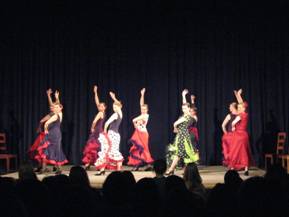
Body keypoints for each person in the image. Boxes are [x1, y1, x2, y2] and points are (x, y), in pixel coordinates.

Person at [35, 95, 68, 174]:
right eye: (54, 107)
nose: (54, 108)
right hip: (50, 134)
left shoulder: (59, 114)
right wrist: (46, 129)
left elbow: (58, 106)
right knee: (46, 150)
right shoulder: (53, 114)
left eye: (57, 107)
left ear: (60, 108)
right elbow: (46, 122)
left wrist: (57, 98)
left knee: (57, 150)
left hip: (55, 135)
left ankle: (58, 168)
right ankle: (44, 168)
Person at [29, 89, 60, 172]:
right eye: (50, 107)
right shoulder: (51, 114)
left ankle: (55, 167)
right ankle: (42, 166)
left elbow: (56, 105)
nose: (51, 107)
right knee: (43, 151)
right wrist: (49, 95)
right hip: (46, 134)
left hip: (52, 135)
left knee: (51, 150)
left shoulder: (56, 114)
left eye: (52, 107)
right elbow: (42, 121)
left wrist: (56, 98)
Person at [94, 91, 124, 174]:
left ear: (118, 107)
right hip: (117, 135)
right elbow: (119, 105)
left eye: (115, 106)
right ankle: (114, 170)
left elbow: (107, 123)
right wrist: (114, 98)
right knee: (112, 151)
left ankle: (104, 170)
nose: (114, 107)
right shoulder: (121, 114)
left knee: (106, 150)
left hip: (112, 134)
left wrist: (104, 133)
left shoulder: (115, 114)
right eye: (113, 106)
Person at [166, 102, 199, 175]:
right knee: (180, 154)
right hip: (181, 137)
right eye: (183, 108)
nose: (184, 110)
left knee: (183, 154)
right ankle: (172, 169)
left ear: (189, 109)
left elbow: (175, 123)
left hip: (183, 137)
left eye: (185, 108)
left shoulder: (187, 116)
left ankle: (176, 170)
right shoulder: (186, 116)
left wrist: (175, 128)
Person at [224, 89, 251, 175]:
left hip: (238, 135)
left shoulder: (239, 116)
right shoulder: (245, 114)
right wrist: (238, 95)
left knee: (234, 151)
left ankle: (232, 167)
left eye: (239, 108)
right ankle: (246, 169)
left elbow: (233, 122)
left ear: (242, 109)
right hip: (245, 135)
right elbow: (241, 104)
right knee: (244, 152)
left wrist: (233, 127)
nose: (238, 109)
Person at [127, 88, 154, 170]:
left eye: (145, 109)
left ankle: (149, 164)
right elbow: (141, 103)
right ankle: (137, 165)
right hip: (138, 133)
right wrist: (142, 95)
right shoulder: (142, 114)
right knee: (136, 149)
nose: (143, 110)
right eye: (142, 109)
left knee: (144, 149)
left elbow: (133, 120)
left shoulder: (145, 115)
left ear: (147, 110)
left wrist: (135, 123)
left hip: (143, 134)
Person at [82, 86, 106, 170]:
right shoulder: (101, 112)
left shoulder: (100, 113)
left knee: (92, 146)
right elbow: (97, 102)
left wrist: (92, 128)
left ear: (104, 107)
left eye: (101, 106)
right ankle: (90, 163)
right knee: (94, 147)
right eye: (99, 106)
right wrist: (95, 93)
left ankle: (90, 164)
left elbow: (94, 121)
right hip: (99, 131)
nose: (99, 107)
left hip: (97, 131)